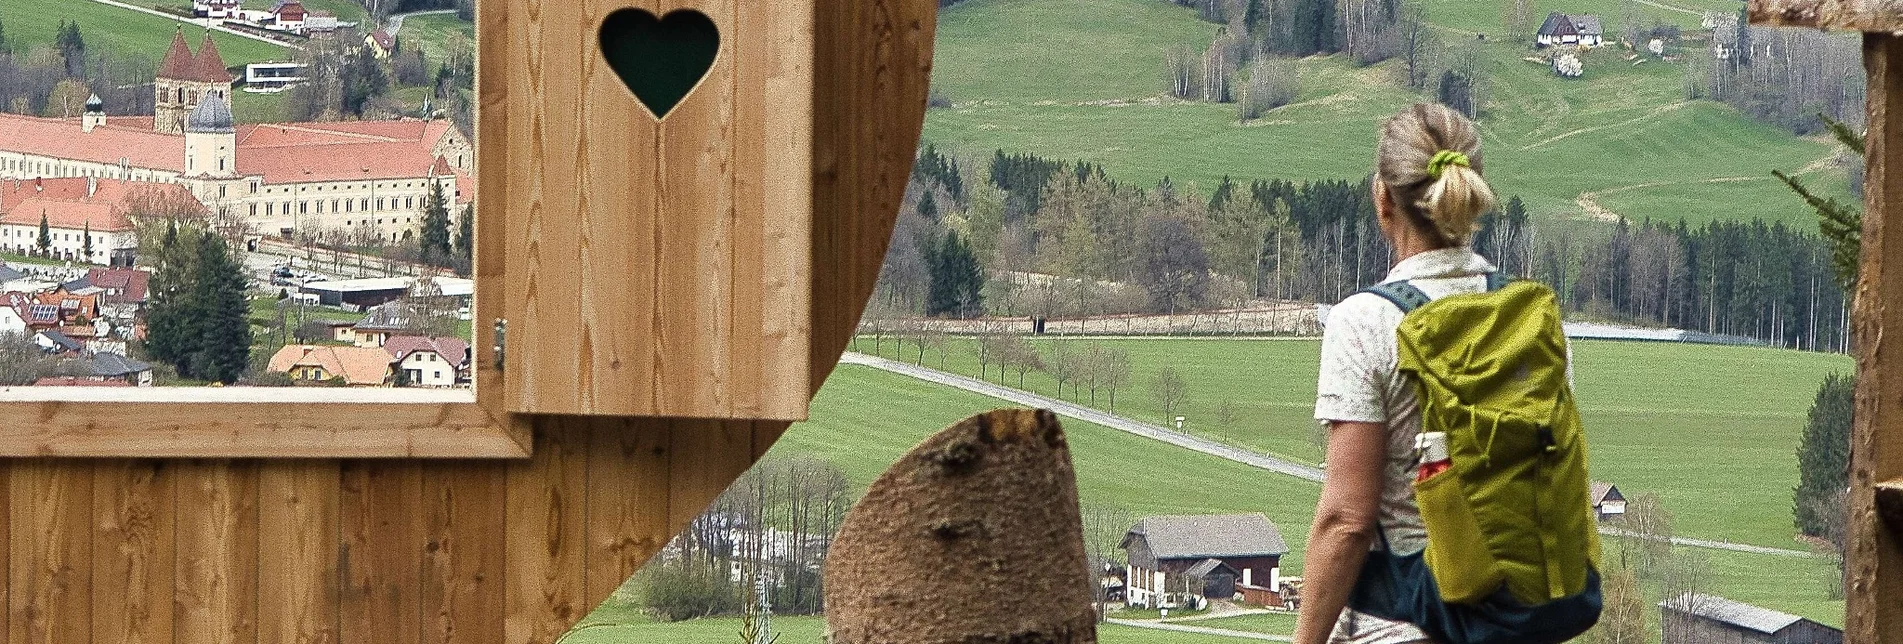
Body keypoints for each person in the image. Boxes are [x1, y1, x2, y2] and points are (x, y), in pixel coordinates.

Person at [1293, 102, 1501, 644]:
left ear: (1383, 199)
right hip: (1512, 620)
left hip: (1402, 622)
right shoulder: (1530, 319)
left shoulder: (1365, 322)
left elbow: (1347, 520)